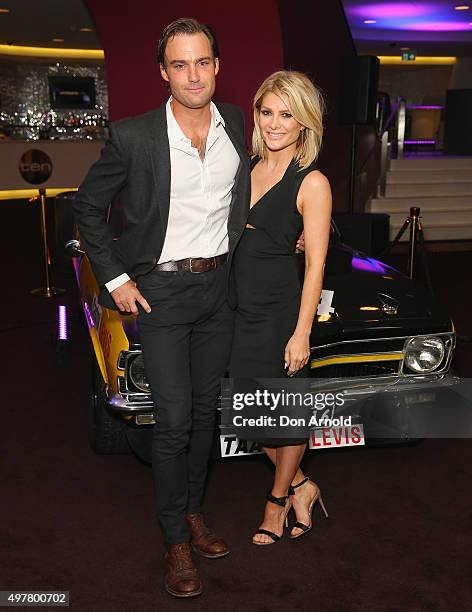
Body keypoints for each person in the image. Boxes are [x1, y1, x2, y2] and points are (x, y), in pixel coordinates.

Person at [73, 18, 251, 598]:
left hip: (219, 290)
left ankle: (195, 513)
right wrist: (117, 277)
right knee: (173, 419)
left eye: (202, 62)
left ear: (217, 67)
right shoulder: (135, 136)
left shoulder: (238, 127)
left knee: (205, 414)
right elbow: (87, 208)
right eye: (180, 64)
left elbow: (247, 196)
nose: (193, 74)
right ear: (164, 73)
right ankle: (175, 537)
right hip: (163, 293)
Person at [229, 70, 332, 545]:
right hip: (235, 308)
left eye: (286, 114)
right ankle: (302, 485)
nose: (274, 123)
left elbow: (314, 267)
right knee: (246, 415)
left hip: (277, 312)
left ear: (304, 122)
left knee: (285, 416)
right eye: (267, 112)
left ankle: (274, 506)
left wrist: (301, 332)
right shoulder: (245, 166)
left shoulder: (311, 182)